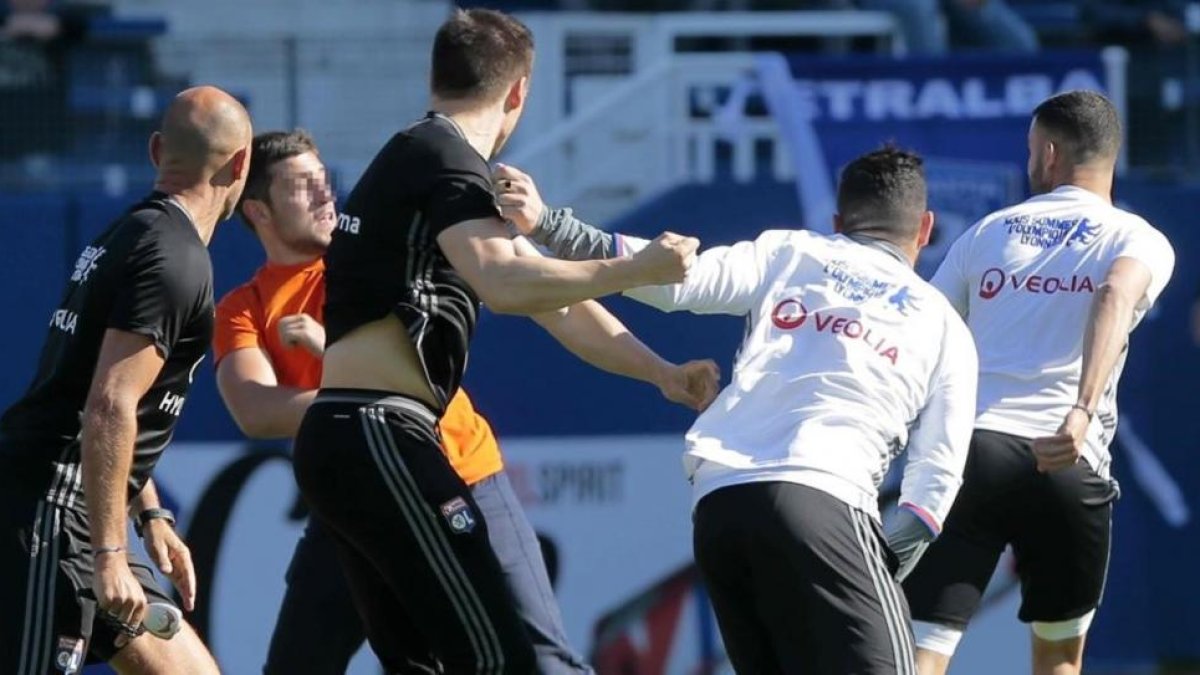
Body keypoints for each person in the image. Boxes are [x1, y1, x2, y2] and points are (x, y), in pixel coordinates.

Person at [291, 8, 710, 672]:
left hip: (351, 436)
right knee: (505, 657)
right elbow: (508, 284)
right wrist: (639, 267)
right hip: (380, 432)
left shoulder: (426, 161)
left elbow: (558, 305)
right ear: (518, 92)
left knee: (427, 662)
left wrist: (658, 371)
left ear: (436, 75)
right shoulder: (444, 156)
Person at [498, 146, 979, 674]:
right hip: (826, 498)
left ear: (838, 223)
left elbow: (666, 278)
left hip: (721, 505)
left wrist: (547, 223)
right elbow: (934, 486)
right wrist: (877, 571)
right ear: (927, 227)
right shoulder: (943, 322)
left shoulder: (790, 251)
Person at [899, 90, 1176, 675]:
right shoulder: (1139, 238)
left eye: (1031, 150)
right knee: (1058, 661)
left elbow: (923, 329)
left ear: (1049, 154)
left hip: (974, 453)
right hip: (1067, 460)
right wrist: (1080, 409)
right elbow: (1115, 293)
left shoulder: (987, 232)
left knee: (924, 651)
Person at [0, 85, 252, 675]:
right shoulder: (175, 258)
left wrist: (152, 516)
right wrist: (112, 555)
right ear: (241, 164)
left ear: (157, 149)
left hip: (85, 508)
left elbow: (110, 399)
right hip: (51, 515)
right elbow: (110, 403)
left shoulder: (132, 233)